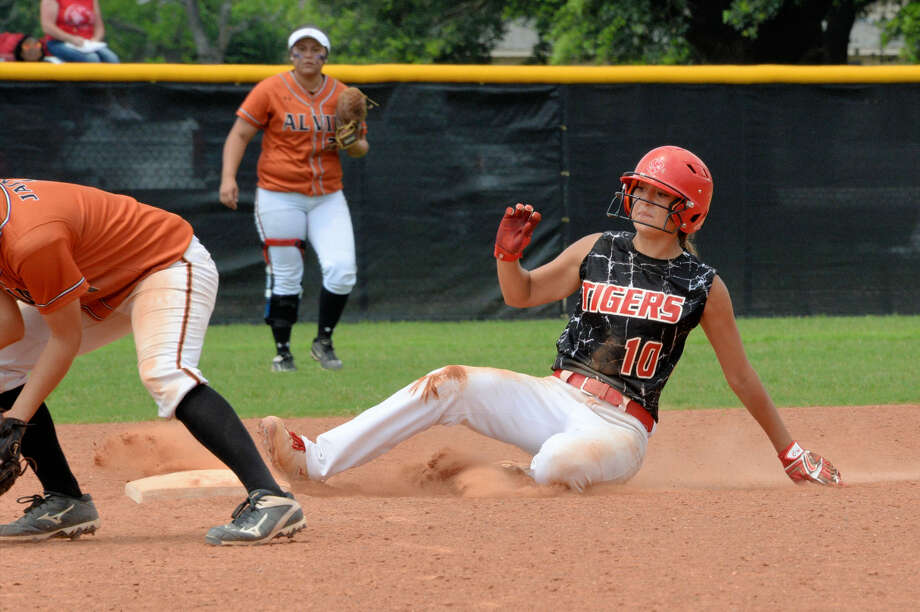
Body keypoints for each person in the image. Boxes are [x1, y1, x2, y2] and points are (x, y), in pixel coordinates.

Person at [258, 146, 842, 492]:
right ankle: (318, 457)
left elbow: (740, 377)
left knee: (562, 462)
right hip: (553, 395)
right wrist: (508, 257)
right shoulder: (598, 249)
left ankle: (530, 474)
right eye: (638, 188)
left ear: (686, 213)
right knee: (449, 380)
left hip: (620, 429)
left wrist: (790, 452)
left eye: (656, 194)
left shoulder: (702, 285)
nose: (639, 198)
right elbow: (523, 294)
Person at [0, 178, 305, 545]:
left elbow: (65, 340)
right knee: (3, 365)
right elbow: (8, 325)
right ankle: (64, 500)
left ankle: (271, 499)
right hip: (99, 286)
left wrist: (16, 419)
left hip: (163, 264)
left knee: (165, 371)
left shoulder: (32, 240)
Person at [219, 26, 369, 373]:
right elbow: (240, 133)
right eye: (300, 48)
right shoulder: (270, 89)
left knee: (342, 270)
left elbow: (362, 147)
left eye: (315, 49)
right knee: (286, 275)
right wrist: (228, 178)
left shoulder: (342, 94)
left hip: (327, 196)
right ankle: (282, 352)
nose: (307, 54)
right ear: (291, 55)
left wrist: (351, 142)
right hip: (279, 194)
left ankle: (324, 341)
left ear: (324, 56)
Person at [40, 0, 120, 63]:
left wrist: (95, 39)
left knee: (112, 58)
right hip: (60, 42)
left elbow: (99, 27)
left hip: (87, 44)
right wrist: (71, 39)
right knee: (92, 59)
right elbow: (47, 27)